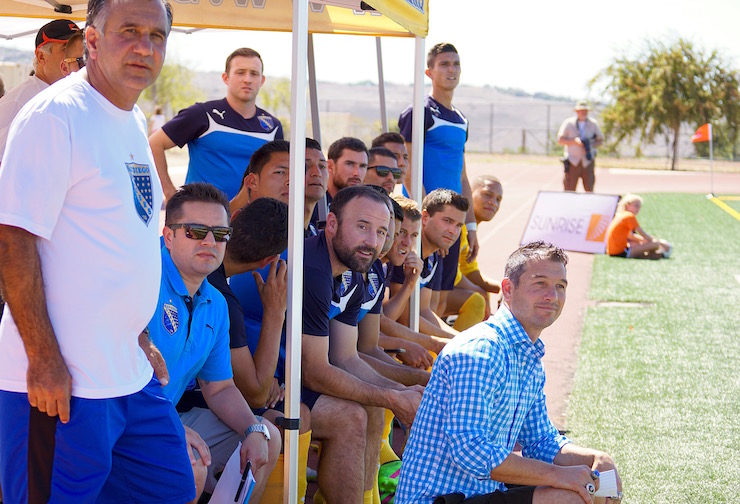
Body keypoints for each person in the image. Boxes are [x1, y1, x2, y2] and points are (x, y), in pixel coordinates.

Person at [0, 1, 197, 502]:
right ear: (90, 40)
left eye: (156, 35)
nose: (144, 47)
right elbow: (13, 237)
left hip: (128, 375)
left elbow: (123, 240)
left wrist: (141, 335)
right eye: (128, 31)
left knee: (171, 491)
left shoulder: (129, 120)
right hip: (59, 386)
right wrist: (43, 360)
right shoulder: (55, 116)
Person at [396, 241, 622, 504]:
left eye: (560, 286)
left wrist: (594, 459)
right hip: (437, 498)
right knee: (569, 497)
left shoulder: (528, 353)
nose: (553, 295)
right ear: (508, 289)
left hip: (480, 493)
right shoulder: (481, 351)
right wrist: (558, 476)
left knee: (592, 490)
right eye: (540, 283)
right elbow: (470, 450)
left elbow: (539, 440)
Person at [149, 183, 281, 501]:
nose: (210, 241)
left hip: (166, 416)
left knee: (268, 436)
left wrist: (252, 428)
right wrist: (169, 427)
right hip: (122, 414)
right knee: (189, 463)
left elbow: (219, 388)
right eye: (196, 231)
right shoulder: (144, 276)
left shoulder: (216, 301)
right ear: (168, 235)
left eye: (220, 233)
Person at [301, 185, 423, 503]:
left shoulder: (356, 270)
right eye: (362, 227)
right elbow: (314, 372)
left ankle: (367, 499)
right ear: (331, 223)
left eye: (382, 232)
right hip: (261, 381)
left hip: (291, 374)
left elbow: (347, 357)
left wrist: (399, 394)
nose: (372, 242)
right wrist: (395, 397)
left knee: (373, 406)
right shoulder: (312, 269)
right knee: (351, 416)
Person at [398, 42, 479, 318]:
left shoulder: (461, 119)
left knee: (441, 304)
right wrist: (424, 221)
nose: (451, 69)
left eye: (456, 64)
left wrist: (470, 226)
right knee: (419, 305)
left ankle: (433, 361)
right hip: (427, 222)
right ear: (429, 71)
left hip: (453, 223)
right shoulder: (419, 112)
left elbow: (462, 175)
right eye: (444, 64)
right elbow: (408, 168)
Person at [149, 47, 283, 201]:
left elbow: (280, 174)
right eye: (240, 72)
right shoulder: (202, 114)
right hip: (201, 219)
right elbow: (154, 144)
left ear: (262, 80)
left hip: (251, 219)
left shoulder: (272, 127)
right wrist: (170, 194)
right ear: (226, 78)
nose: (247, 79)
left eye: (254, 73)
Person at [389, 189, 468, 340]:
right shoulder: (403, 254)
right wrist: (457, 340)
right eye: (447, 221)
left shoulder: (432, 257)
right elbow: (405, 318)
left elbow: (424, 310)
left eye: (459, 225)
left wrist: (460, 338)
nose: (453, 231)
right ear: (424, 217)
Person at [0, 18, 81, 163]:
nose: (76, 56)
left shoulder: (72, 97)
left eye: (80, 49)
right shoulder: (18, 102)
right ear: (41, 56)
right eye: (66, 49)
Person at [557, 100, 605, 192]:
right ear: (577, 111)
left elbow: (600, 140)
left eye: (585, 111)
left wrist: (590, 144)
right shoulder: (569, 123)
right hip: (572, 161)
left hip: (587, 160)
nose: (583, 113)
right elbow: (560, 140)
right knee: (569, 188)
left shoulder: (593, 123)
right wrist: (574, 141)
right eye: (581, 110)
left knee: (589, 188)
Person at [606, 194, 672, 259]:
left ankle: (657, 255)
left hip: (613, 251)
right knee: (655, 244)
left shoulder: (621, 215)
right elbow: (643, 234)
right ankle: (662, 253)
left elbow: (630, 236)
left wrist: (643, 241)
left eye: (639, 206)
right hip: (621, 252)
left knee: (643, 245)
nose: (638, 209)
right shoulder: (629, 216)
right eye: (636, 205)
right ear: (627, 205)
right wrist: (658, 242)